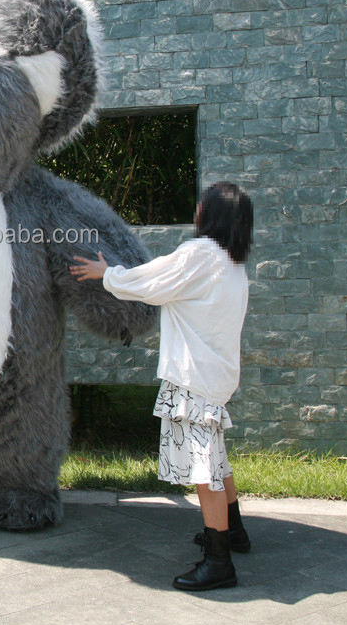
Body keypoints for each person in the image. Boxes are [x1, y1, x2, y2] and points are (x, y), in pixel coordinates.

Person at [69, 182, 253, 591]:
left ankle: (218, 562)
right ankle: (234, 532)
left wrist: (107, 274)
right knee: (216, 456)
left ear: (212, 214)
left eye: (202, 203)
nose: (197, 207)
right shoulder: (232, 263)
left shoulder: (200, 254)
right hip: (216, 375)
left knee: (204, 469)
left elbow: (152, 282)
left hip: (195, 377)